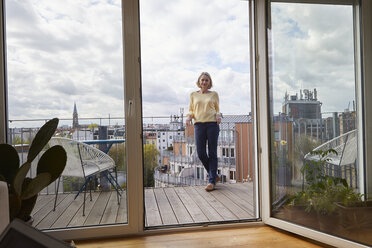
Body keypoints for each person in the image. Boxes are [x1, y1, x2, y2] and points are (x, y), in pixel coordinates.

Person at [186, 72, 221, 191]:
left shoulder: (214, 94)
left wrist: (218, 116)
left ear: (209, 82)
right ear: (199, 82)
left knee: (212, 153)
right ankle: (214, 175)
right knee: (201, 153)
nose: (204, 82)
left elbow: (217, 109)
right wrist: (189, 117)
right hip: (199, 125)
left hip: (212, 124)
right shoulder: (193, 95)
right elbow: (191, 109)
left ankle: (211, 181)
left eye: (206, 80)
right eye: (202, 80)